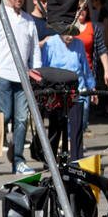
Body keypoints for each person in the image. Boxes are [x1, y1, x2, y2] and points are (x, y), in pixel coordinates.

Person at [0, 0, 43, 174]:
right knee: (3, 116)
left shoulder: (28, 20)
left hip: (23, 77)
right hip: (2, 74)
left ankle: (18, 161)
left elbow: (34, 51)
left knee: (22, 119)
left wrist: (37, 73)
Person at [39, 29, 97, 160]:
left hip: (76, 89)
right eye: (67, 34)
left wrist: (92, 87)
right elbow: (44, 67)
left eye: (73, 34)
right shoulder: (50, 44)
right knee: (55, 127)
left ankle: (77, 160)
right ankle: (50, 161)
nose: (71, 37)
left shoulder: (79, 44)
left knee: (77, 127)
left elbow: (85, 68)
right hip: (56, 90)